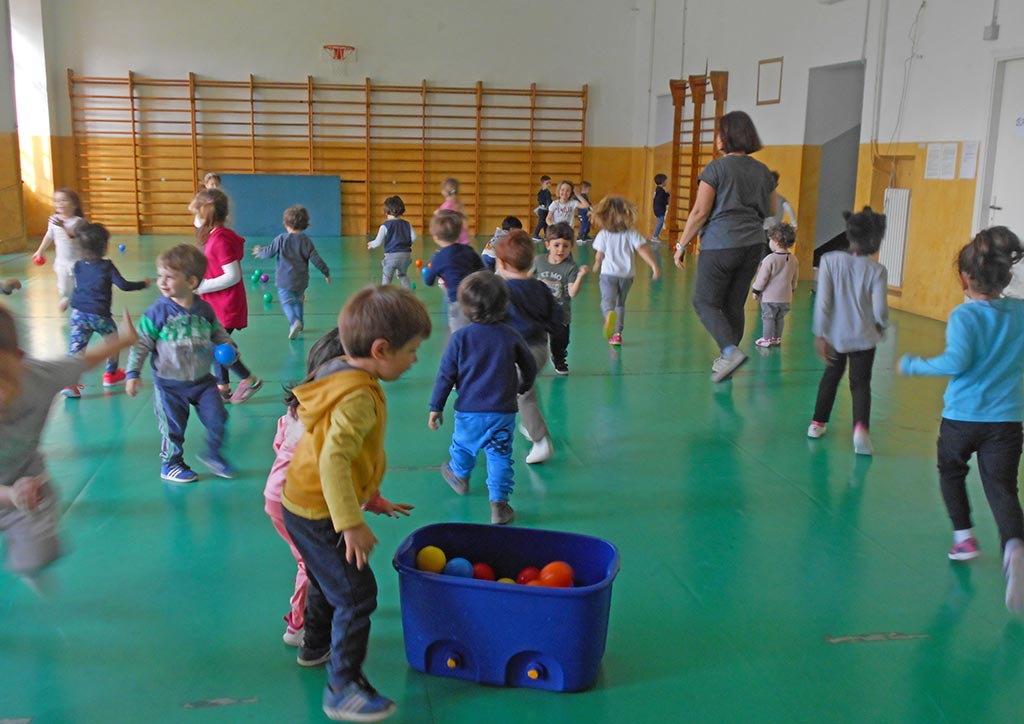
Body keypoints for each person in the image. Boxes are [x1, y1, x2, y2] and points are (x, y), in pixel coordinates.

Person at [280, 286, 430, 722]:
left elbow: (341, 452)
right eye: (412, 351)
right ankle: (341, 687)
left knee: (330, 582)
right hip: (319, 511)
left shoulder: (342, 369)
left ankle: (315, 646)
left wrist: (371, 498)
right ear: (381, 349)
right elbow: (334, 459)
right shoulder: (359, 396)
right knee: (358, 594)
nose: (416, 359)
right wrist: (350, 522)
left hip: (302, 503)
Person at [899, 227, 1024, 612]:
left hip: (961, 419)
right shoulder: (1020, 312)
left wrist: (915, 365)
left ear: (963, 278)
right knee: (1002, 488)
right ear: (1005, 276)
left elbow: (957, 361)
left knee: (951, 471)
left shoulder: (965, 316)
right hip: (1006, 422)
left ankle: (964, 537)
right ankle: (1015, 548)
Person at [265, 328, 412, 650]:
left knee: (319, 563)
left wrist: (374, 501)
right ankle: (299, 626)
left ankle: (320, 618)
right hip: (294, 503)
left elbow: (287, 449)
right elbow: (337, 468)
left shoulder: (301, 408)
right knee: (311, 563)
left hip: (284, 496)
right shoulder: (331, 418)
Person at [0, 304, 137, 576]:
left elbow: (84, 361)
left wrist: (124, 338)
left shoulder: (38, 376)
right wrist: (10, 495)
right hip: (12, 492)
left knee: (38, 557)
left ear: (19, 358)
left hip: (27, 483)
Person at [672, 110, 778, 382]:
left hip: (721, 243)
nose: (716, 137)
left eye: (719, 132)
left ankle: (730, 351)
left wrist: (681, 244)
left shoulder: (716, 169)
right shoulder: (763, 171)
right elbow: (772, 211)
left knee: (704, 301)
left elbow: (699, 212)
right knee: (733, 305)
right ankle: (726, 359)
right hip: (753, 244)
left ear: (727, 136)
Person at [429, 271, 537, 525]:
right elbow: (529, 365)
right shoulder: (510, 335)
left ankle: (459, 476)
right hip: (503, 410)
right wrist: (523, 386)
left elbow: (446, 375)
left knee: (463, 445)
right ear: (504, 304)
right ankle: (499, 504)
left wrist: (436, 407)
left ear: (466, 309)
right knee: (499, 454)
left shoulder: (460, 339)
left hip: (469, 410)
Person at [126, 244, 237, 483]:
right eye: (160, 276)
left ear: (192, 282)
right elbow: (142, 343)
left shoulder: (204, 309)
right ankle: (171, 463)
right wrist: (132, 372)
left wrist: (228, 346)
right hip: (169, 385)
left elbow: (217, 332)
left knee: (218, 416)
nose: (162, 282)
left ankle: (213, 454)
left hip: (203, 381)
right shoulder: (157, 312)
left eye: (170, 277)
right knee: (172, 428)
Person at [807, 207, 888, 456]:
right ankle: (860, 429)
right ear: (876, 240)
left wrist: (820, 333)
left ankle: (817, 423)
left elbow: (823, 302)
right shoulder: (877, 270)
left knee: (831, 376)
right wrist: (880, 326)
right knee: (861, 384)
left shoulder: (829, 260)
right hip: (864, 337)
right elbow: (880, 309)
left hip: (835, 335)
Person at [495, 229, 561, 464]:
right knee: (528, 390)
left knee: (523, 396)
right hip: (540, 350)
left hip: (519, 354)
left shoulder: (502, 291)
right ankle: (531, 425)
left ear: (501, 263)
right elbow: (557, 319)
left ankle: (541, 441)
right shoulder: (541, 287)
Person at [62, 223, 150, 398]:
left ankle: (69, 383)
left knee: (77, 348)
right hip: (99, 315)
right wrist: (143, 284)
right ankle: (111, 374)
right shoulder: (106, 266)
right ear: (103, 246)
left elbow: (77, 287)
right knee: (113, 342)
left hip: (78, 313)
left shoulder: (78, 265)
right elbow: (123, 285)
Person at [191, 188, 262, 403]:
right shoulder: (214, 236)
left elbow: (232, 276)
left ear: (207, 214)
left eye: (196, 212)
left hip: (226, 304)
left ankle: (249, 381)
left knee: (217, 346)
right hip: (216, 303)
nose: (193, 217)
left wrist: (203, 286)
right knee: (217, 346)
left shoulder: (220, 240)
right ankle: (223, 387)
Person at [252, 205, 331, 340]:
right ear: (305, 225)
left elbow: (269, 252)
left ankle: (294, 322)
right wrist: (326, 273)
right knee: (298, 301)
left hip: (285, 281)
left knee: (286, 303)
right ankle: (301, 325)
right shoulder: (306, 241)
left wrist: (259, 251)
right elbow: (316, 259)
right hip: (301, 282)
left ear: (286, 223)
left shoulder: (281, 239)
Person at [591, 196, 660, 346]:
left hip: (608, 274)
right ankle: (617, 334)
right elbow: (642, 249)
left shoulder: (604, 234)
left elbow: (600, 254)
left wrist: (597, 264)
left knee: (607, 302)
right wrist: (654, 266)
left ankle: (609, 315)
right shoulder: (631, 232)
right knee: (620, 304)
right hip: (627, 275)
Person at [535, 223, 588, 375]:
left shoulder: (570, 267)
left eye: (565, 246)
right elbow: (528, 279)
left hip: (560, 314)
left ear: (571, 247)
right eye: (556, 245)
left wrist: (580, 277)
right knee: (535, 340)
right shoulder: (538, 261)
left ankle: (558, 359)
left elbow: (571, 293)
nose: (560, 250)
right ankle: (531, 361)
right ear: (547, 245)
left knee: (561, 342)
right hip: (540, 312)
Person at [423, 210, 484, 332]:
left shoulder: (439, 257)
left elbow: (429, 281)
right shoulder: (469, 251)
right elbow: (483, 271)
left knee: (458, 335)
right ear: (459, 233)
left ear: (435, 237)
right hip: (477, 300)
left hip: (458, 302)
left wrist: (429, 272)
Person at [32, 188, 85, 312]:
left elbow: (72, 237)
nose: (59, 203)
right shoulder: (54, 219)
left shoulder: (79, 222)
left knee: (79, 285)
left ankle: (78, 304)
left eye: (64, 200)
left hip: (78, 261)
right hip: (62, 261)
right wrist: (40, 251)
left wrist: (62, 226)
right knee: (64, 288)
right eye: (56, 201)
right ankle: (66, 297)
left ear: (74, 205)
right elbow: (49, 235)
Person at [751, 223, 798, 348]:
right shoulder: (793, 259)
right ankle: (777, 338)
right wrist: (792, 289)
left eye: (770, 240)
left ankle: (767, 338)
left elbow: (763, 278)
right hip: (786, 297)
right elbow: (794, 278)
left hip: (770, 298)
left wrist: (756, 290)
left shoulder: (770, 259)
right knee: (780, 317)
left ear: (776, 241)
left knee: (768, 317)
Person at [366, 195, 416, 288]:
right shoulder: (407, 224)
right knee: (402, 275)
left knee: (387, 279)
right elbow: (414, 237)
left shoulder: (385, 226)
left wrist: (371, 244)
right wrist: (406, 244)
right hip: (405, 256)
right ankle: (409, 295)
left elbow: (378, 242)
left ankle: (384, 299)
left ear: (386, 212)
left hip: (391, 257)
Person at [437, 178, 472, 245]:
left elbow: (445, 222)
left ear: (444, 191)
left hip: (453, 238)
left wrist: (437, 214)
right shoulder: (459, 203)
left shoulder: (446, 205)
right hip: (464, 237)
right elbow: (465, 218)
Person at [651, 173, 670, 242]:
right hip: (659, 210)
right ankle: (654, 236)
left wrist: (667, 194)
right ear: (663, 182)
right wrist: (667, 196)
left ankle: (656, 236)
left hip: (658, 209)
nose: (667, 182)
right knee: (660, 222)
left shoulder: (659, 190)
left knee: (661, 222)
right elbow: (661, 199)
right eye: (666, 181)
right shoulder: (661, 191)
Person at [533, 175, 552, 241]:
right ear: (542, 184)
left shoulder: (547, 192)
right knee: (541, 222)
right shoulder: (542, 192)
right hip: (542, 210)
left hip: (546, 209)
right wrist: (543, 204)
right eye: (547, 183)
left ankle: (546, 235)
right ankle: (535, 234)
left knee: (546, 223)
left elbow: (550, 200)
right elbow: (540, 200)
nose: (549, 184)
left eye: (550, 183)